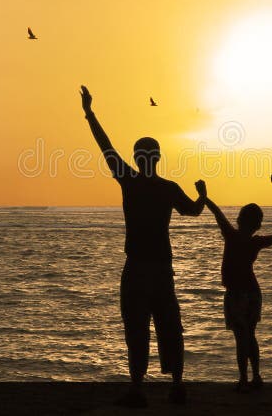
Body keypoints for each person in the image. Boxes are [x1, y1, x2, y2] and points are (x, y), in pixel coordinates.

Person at [80, 85, 207, 407]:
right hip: (160, 268)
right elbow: (193, 210)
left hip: (139, 267)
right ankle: (175, 385)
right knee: (169, 325)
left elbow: (105, 146)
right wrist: (203, 194)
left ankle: (139, 388)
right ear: (158, 158)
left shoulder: (130, 180)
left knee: (138, 327)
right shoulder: (167, 187)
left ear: (138, 158)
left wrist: (90, 112)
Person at [204, 197, 272, 391]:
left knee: (240, 337)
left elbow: (217, 213)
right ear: (257, 225)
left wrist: (204, 197)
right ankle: (256, 376)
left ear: (239, 219)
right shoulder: (256, 242)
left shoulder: (231, 235)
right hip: (253, 293)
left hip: (236, 294)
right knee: (250, 335)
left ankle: (244, 379)